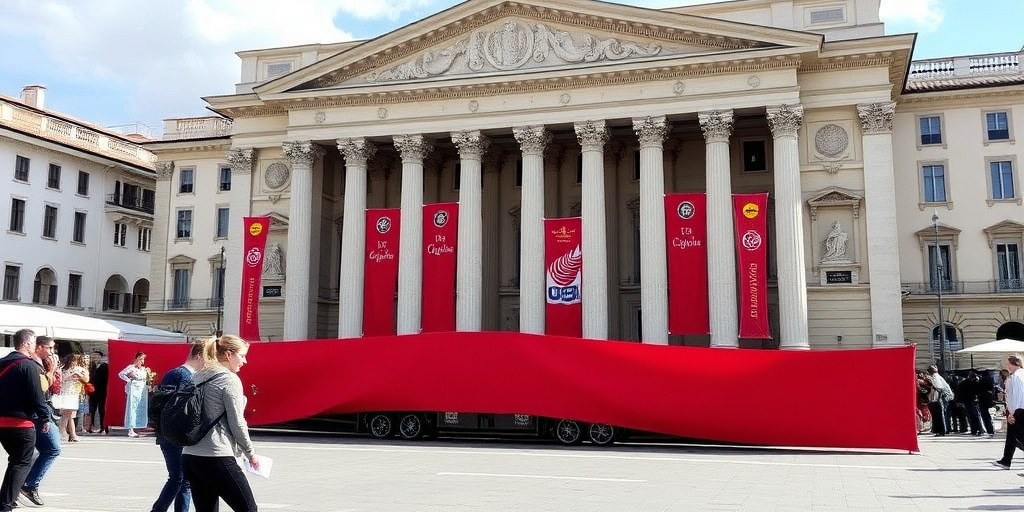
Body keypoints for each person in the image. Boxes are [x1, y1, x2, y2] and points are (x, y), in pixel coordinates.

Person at [182, 335, 259, 512]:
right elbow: (237, 422)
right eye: (243, 356)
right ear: (229, 355)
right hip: (216, 456)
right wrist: (250, 453)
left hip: (190, 456)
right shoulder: (229, 379)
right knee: (248, 508)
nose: (245, 361)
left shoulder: (198, 375)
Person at [0, 329, 51, 512]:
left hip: (1, 422)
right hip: (20, 424)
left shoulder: (2, 362)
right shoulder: (28, 366)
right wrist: (46, 417)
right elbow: (37, 397)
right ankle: (5, 504)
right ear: (28, 343)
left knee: (17, 461)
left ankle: (8, 500)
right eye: (33, 343)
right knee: (22, 462)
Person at [151, 341, 206, 512]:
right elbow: (178, 407)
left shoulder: (178, 374)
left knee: (184, 479)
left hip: (175, 433)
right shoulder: (182, 375)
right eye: (208, 358)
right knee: (178, 477)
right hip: (174, 433)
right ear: (198, 356)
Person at [21, 336, 62, 507]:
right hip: (38, 414)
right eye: (50, 348)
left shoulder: (39, 363)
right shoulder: (33, 364)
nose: (52, 352)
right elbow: (41, 389)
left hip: (41, 412)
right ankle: (30, 485)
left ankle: (16, 488)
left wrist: (53, 371)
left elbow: (53, 387)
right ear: (38, 347)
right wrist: (51, 371)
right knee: (52, 449)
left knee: (28, 455)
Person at [993, 355, 1024, 470]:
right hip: (1021, 409)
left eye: (1008, 363)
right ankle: (1006, 460)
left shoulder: (1015, 377)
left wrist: (1011, 412)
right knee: (1012, 436)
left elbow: (1015, 396)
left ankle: (1006, 461)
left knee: (1017, 437)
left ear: (1012, 364)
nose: (1007, 366)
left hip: (1018, 410)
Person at [52, 353, 89, 442]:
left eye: (75, 361)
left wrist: (79, 376)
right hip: (65, 393)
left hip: (74, 393)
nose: (74, 363)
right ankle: (65, 432)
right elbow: (60, 379)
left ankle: (70, 434)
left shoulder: (80, 370)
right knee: (68, 414)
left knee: (70, 415)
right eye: (72, 361)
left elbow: (87, 380)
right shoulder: (63, 370)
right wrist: (70, 376)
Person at [118, 352, 149, 437]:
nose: (142, 361)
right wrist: (129, 380)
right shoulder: (131, 367)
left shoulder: (144, 369)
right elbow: (121, 374)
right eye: (141, 359)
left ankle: (138, 426)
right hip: (134, 389)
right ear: (137, 359)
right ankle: (130, 428)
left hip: (142, 389)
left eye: (143, 359)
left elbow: (146, 379)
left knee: (140, 407)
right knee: (132, 407)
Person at [85, 350, 108, 434]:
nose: (95, 358)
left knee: (102, 409)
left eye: (97, 356)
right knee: (92, 409)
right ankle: (91, 426)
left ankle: (103, 427)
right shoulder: (91, 366)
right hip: (92, 391)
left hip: (102, 391)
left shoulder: (105, 366)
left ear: (101, 357)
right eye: (93, 356)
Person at [927, 365, 953, 436]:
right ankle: (942, 430)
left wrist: (936, 399)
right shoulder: (936, 376)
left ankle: (942, 430)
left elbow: (939, 388)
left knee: (939, 415)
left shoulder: (935, 377)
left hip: (939, 399)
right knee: (940, 415)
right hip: (940, 398)